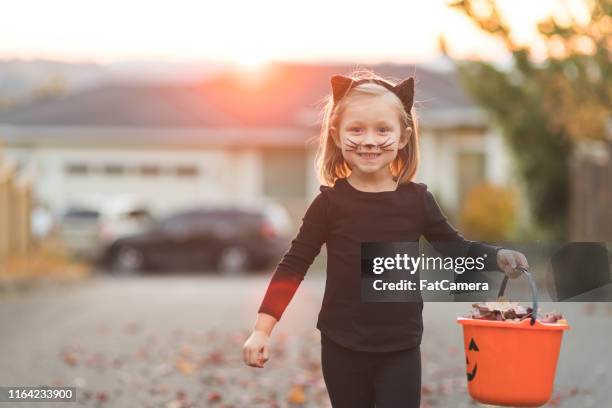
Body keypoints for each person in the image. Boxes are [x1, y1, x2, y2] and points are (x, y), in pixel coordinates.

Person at [242, 69, 529, 407]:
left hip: (401, 347)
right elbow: (293, 266)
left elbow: (456, 248)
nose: (369, 140)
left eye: (382, 129)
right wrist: (262, 330)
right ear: (336, 134)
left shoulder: (417, 201)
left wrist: (496, 257)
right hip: (342, 344)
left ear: (403, 137)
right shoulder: (329, 204)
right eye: (356, 129)